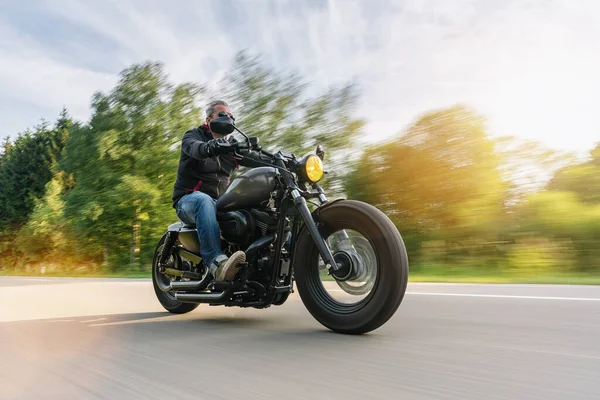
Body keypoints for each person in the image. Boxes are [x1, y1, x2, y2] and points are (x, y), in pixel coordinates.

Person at [171, 100, 260, 282]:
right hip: (189, 200)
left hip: (219, 205)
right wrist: (211, 146)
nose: (228, 119)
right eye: (222, 115)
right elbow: (195, 148)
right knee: (204, 200)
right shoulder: (194, 136)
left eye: (231, 116)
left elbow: (257, 159)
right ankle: (216, 263)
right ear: (208, 120)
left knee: (256, 208)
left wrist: (281, 160)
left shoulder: (233, 146)